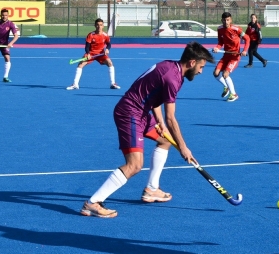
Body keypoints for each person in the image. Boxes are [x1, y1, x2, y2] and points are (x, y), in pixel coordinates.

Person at [81, 42, 214, 218]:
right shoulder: (173, 79)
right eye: (201, 66)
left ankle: (151, 189)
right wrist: (183, 146)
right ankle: (93, 203)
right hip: (130, 113)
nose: (200, 71)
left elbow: (154, 94)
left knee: (165, 140)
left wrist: (159, 121)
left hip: (141, 112)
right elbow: (171, 118)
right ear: (191, 62)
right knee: (135, 165)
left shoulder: (169, 66)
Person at [66, 18, 120, 90]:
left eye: (101, 25)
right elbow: (87, 46)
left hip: (101, 54)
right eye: (97, 25)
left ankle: (113, 84)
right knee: (80, 65)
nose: (99, 27)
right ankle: (75, 84)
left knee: (110, 63)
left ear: (103, 26)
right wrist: (88, 53)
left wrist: (107, 49)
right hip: (91, 53)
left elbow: (109, 44)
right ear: (95, 25)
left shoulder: (105, 35)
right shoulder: (91, 35)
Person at [213, 12, 249, 101]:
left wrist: (244, 50)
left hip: (235, 57)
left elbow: (247, 38)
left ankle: (234, 94)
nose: (226, 22)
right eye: (224, 20)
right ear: (221, 20)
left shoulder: (237, 29)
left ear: (231, 20)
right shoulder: (220, 29)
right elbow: (220, 42)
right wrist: (217, 48)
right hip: (226, 56)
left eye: (228, 20)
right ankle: (226, 87)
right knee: (216, 73)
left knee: (225, 74)